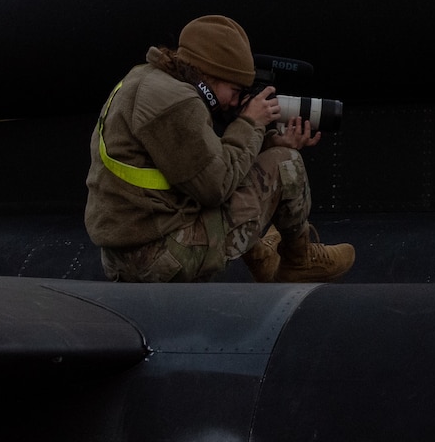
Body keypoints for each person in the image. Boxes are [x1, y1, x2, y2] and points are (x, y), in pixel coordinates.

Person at [85, 14, 355, 284]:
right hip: (159, 258)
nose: (234, 102)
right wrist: (251, 122)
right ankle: (300, 261)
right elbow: (216, 187)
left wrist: (268, 142)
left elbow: (201, 161)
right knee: (285, 163)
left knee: (265, 158)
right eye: (235, 90)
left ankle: (261, 257)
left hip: (130, 250)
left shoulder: (146, 79)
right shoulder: (177, 104)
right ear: (210, 75)